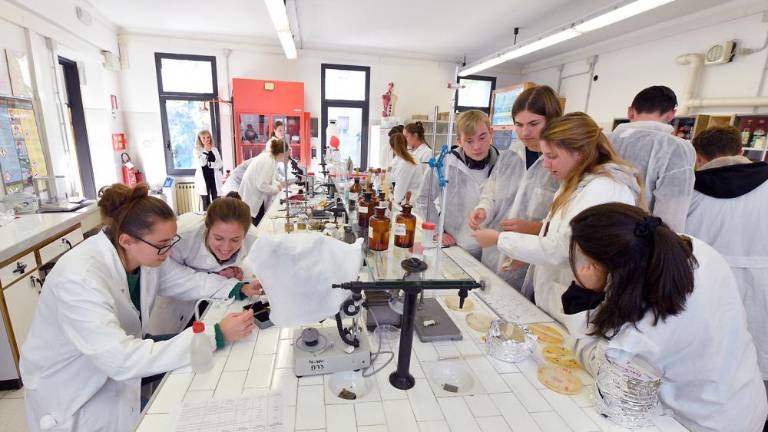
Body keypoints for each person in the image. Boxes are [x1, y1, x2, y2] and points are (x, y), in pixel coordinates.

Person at [20, 183, 259, 432]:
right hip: (74, 396)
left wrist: (235, 288)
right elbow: (121, 359)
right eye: (163, 244)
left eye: (171, 241)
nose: (170, 251)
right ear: (126, 240)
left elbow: (184, 280)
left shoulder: (140, 258)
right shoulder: (80, 278)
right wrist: (215, 335)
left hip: (112, 376)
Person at [562, 203, 767, 432]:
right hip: (745, 398)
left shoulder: (643, 331)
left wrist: (583, 294)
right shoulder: (692, 249)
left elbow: (604, 371)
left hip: (702, 423)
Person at [472, 112, 642, 322]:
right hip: (555, 295)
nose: (545, 164)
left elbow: (564, 248)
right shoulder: (577, 183)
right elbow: (556, 229)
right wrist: (526, 253)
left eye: (552, 156)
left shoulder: (604, 190)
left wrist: (499, 239)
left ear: (580, 152)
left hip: (578, 301)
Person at [685, 125, 768, 390]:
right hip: (761, 295)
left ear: (698, 158)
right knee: (756, 373)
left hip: (705, 293)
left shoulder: (688, 192)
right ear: (741, 151)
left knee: (706, 370)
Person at [468, 85, 561, 289]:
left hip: (530, 261)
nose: (525, 132)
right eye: (518, 124)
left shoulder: (559, 164)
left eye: (533, 124)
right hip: (493, 253)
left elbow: (564, 225)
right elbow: (491, 193)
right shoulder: (510, 155)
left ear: (552, 120)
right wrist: (483, 209)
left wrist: (535, 228)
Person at [148, 194, 261, 335]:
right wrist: (232, 286)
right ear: (206, 228)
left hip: (209, 294)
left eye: (235, 240)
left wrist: (228, 269)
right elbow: (169, 278)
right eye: (218, 238)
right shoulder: (181, 235)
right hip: (174, 303)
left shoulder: (253, 237)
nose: (226, 248)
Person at [608, 85, 695, 232]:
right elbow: (672, 212)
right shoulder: (675, 148)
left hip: (592, 230)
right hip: (637, 236)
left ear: (630, 111)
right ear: (671, 115)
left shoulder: (604, 140)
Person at [415, 110, 499, 259]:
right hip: (455, 245)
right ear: (459, 140)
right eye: (469, 141)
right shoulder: (445, 162)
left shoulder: (503, 163)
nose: (477, 146)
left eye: (482, 137)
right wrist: (437, 231)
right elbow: (423, 198)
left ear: (491, 133)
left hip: (493, 249)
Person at [239, 139, 288, 227]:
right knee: (254, 227)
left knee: (258, 223)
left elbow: (269, 179)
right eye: (286, 154)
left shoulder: (269, 158)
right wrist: (276, 189)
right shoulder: (268, 161)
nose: (287, 156)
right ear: (281, 153)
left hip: (253, 196)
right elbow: (262, 185)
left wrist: (278, 185)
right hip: (251, 198)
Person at [389, 132, 423, 208]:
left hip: (411, 205)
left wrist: (391, 198)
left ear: (392, 148)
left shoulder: (405, 163)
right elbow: (391, 174)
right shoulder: (409, 157)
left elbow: (398, 196)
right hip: (409, 202)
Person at [193, 130, 223, 210]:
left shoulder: (214, 149)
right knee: (206, 204)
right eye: (204, 138)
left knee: (217, 202)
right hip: (203, 179)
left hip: (214, 178)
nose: (206, 139)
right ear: (200, 139)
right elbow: (201, 163)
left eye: (208, 137)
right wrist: (206, 151)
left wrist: (211, 164)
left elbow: (220, 164)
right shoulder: (197, 151)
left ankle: (217, 217)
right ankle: (207, 217)